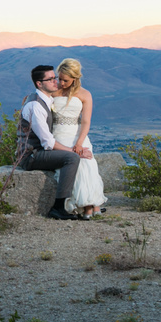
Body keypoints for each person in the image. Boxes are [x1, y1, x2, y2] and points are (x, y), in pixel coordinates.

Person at [16, 64, 82, 220]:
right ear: (39, 83)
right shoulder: (35, 105)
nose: (55, 82)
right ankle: (58, 208)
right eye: (50, 79)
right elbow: (48, 142)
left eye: (55, 78)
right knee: (71, 158)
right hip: (30, 155)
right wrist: (74, 150)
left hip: (39, 151)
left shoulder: (46, 99)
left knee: (72, 156)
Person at [52, 58, 106, 219]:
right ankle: (87, 207)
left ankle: (90, 205)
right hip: (59, 135)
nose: (61, 83)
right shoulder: (53, 92)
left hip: (77, 135)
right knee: (73, 162)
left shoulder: (85, 94)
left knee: (86, 161)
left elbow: (86, 121)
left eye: (65, 80)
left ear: (75, 78)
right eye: (59, 78)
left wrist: (79, 143)